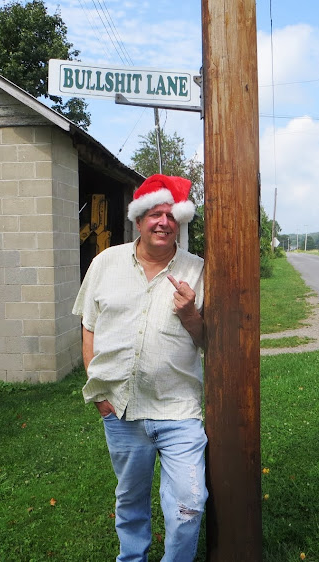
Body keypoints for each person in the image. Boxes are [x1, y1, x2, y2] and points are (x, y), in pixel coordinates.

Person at [72, 173, 206, 562]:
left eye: (170, 215)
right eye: (154, 214)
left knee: (188, 504)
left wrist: (191, 315)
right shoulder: (105, 263)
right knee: (130, 503)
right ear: (139, 220)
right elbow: (89, 327)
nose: (162, 222)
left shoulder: (198, 270)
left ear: (179, 221)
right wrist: (98, 395)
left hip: (178, 411)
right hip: (121, 411)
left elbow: (209, 343)